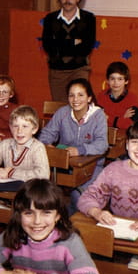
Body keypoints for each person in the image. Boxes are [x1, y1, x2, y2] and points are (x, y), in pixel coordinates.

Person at [39, 78, 108, 212]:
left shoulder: (98, 115)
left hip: (91, 166)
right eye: (71, 95)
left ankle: (70, 218)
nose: (75, 99)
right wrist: (47, 144)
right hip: (64, 164)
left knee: (79, 198)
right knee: (42, 193)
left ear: (89, 98)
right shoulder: (62, 112)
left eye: (80, 95)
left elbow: (102, 144)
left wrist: (80, 150)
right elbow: (47, 133)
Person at [42, 0, 96, 102]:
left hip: (80, 70)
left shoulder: (88, 18)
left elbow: (86, 47)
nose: (67, 0)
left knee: (79, 104)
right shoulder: (50, 19)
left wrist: (59, 43)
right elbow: (48, 46)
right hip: (56, 72)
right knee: (60, 107)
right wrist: (74, 42)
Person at [0, 105, 50, 180]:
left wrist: (11, 172)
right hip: (7, 186)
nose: (19, 131)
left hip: (30, 187)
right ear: (10, 127)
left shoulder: (37, 147)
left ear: (34, 129)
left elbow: (43, 175)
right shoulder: (5, 144)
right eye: (16, 126)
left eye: (25, 126)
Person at [96, 61, 138, 129]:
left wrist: (108, 118)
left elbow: (131, 125)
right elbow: (98, 121)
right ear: (107, 80)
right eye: (112, 79)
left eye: (120, 79)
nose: (116, 82)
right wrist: (122, 118)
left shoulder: (132, 98)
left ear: (126, 81)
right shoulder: (101, 96)